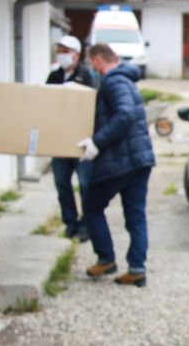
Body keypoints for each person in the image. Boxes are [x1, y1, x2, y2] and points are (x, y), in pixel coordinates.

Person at [76, 42, 154, 287]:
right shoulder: (125, 79)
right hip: (139, 158)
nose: (92, 68)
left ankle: (106, 258)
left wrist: (97, 143)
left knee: (92, 206)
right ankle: (137, 268)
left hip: (121, 159)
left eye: (92, 63)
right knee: (135, 214)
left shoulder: (113, 82)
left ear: (98, 60)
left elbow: (125, 114)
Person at [46, 34, 99, 240]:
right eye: (59, 51)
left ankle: (86, 225)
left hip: (80, 140)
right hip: (59, 140)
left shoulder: (87, 76)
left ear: (76, 56)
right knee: (61, 183)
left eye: (65, 52)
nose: (61, 55)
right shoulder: (54, 76)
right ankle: (70, 222)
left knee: (85, 184)